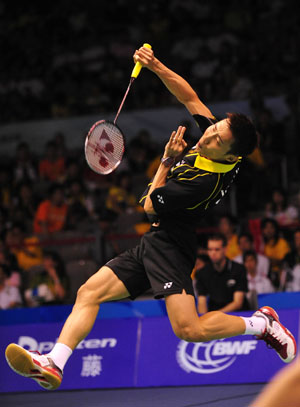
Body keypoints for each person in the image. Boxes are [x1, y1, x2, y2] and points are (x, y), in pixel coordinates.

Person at [5, 45, 296, 391]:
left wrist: (165, 162)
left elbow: (148, 207)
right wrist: (155, 65)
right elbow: (190, 97)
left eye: (217, 138)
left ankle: (262, 325)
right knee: (89, 291)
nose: (208, 134)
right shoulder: (215, 142)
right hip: (154, 243)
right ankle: (54, 363)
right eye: (213, 127)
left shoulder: (203, 182)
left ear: (230, 155)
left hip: (173, 247)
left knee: (190, 330)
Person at [195, 233, 249, 313]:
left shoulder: (238, 269)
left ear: (225, 249)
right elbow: (201, 302)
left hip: (238, 315)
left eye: (217, 249)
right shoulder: (202, 273)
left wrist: (216, 316)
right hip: (214, 315)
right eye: (210, 249)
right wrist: (204, 318)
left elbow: (238, 303)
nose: (213, 253)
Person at [260, 217, 291, 288]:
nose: (268, 230)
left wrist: (267, 260)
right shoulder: (262, 244)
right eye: (266, 228)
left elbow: (283, 262)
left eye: (271, 227)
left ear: (276, 229)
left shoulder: (282, 243)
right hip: (265, 274)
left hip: (280, 275)